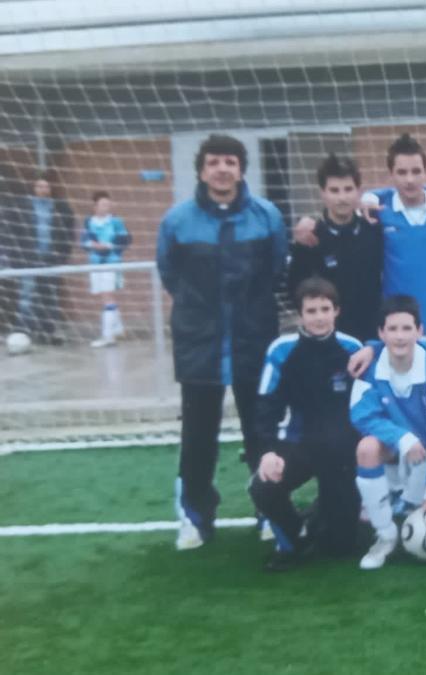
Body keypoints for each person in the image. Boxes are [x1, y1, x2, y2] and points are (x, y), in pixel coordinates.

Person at [157, 133, 287, 551]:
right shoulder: (178, 220)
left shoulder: (266, 217)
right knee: (198, 436)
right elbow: (170, 274)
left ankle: (268, 508)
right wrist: (200, 317)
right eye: (214, 161)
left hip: (254, 339)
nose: (222, 169)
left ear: (241, 168)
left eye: (230, 161)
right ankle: (196, 517)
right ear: (201, 169)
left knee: (260, 430)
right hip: (200, 345)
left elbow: (275, 272)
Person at [248, 277, 364, 571]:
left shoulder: (353, 348)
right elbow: (265, 406)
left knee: (342, 548)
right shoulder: (281, 350)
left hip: (340, 452)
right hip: (299, 444)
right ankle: (295, 537)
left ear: (336, 310)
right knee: (263, 486)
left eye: (325, 309)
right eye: (311, 311)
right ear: (300, 315)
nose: (319, 317)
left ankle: (322, 512)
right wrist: (268, 451)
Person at [350, 294, 426, 570]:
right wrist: (403, 438)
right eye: (393, 329)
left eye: (407, 328)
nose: (400, 336)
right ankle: (385, 535)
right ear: (381, 333)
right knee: (366, 449)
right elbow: (361, 414)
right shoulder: (370, 367)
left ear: (419, 331)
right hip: (400, 449)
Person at [285, 153, 381, 343]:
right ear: (322, 193)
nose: (342, 197)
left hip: (371, 337)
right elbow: (294, 290)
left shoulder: (374, 230)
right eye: (334, 190)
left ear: (358, 191)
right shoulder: (310, 237)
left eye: (348, 189)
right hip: (327, 338)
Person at [14, 174, 75, 344]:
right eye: (40, 186)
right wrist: (18, 256)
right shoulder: (23, 206)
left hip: (51, 259)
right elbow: (12, 230)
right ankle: (23, 332)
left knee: (50, 296)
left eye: (46, 187)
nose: (43, 190)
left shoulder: (59, 207)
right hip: (29, 260)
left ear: (50, 188)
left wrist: (63, 255)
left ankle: (47, 332)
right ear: (34, 188)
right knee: (26, 295)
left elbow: (68, 232)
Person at [80, 190, 130, 348]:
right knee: (105, 296)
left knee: (108, 296)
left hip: (111, 262)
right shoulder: (89, 222)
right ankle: (119, 329)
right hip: (95, 263)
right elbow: (84, 241)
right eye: (102, 204)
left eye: (108, 204)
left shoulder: (116, 222)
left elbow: (125, 239)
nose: (106, 207)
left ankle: (108, 336)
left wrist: (108, 246)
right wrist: (92, 245)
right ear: (94, 206)